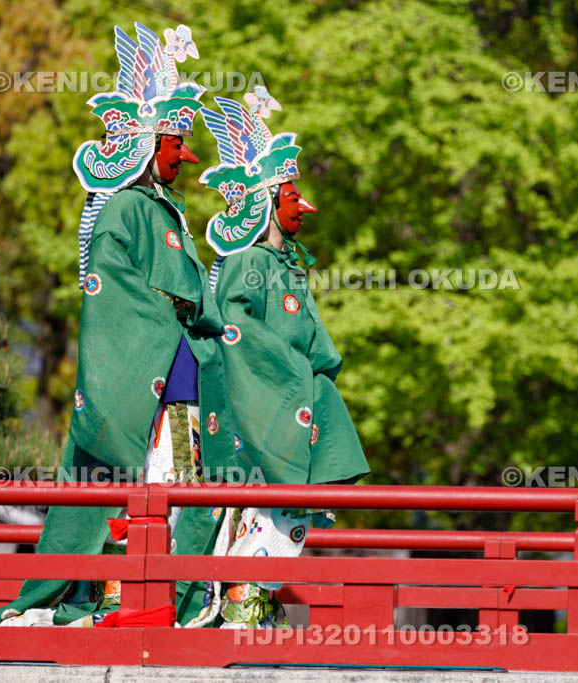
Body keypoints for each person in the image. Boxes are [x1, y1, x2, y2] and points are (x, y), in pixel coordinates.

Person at [0, 22, 238, 628]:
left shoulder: (152, 207)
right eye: (176, 145)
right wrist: (203, 314)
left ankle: (177, 600)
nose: (185, 158)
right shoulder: (129, 208)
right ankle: (130, 599)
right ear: (148, 143)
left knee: (179, 489)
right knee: (149, 488)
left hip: (176, 378)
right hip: (156, 377)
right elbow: (156, 294)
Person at [182, 88, 369, 628]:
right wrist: (299, 381)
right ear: (267, 201)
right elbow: (237, 334)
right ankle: (238, 603)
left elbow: (314, 340)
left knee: (289, 508)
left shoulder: (283, 264)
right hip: (261, 410)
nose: (303, 206)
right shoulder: (246, 265)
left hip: (292, 402)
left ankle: (251, 602)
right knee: (261, 504)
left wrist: (313, 377)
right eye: (292, 196)